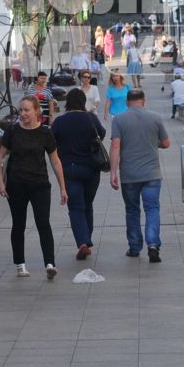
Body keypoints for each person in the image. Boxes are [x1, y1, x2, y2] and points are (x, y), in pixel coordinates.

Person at [0, 94, 65, 279]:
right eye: (21, 110)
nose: (23, 114)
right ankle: (20, 264)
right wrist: (0, 182)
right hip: (16, 184)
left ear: (37, 111)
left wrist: (62, 187)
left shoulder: (45, 132)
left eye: (26, 110)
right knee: (18, 224)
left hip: (40, 184)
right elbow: (1, 157)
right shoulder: (12, 131)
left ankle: (50, 263)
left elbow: (55, 161)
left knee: (43, 222)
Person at [110, 87, 172, 262]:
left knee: (132, 210)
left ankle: (135, 247)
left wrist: (113, 172)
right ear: (144, 101)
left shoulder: (119, 119)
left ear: (127, 102)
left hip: (129, 174)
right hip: (152, 174)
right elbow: (167, 143)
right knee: (152, 209)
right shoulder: (155, 117)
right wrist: (153, 143)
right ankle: (153, 244)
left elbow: (115, 146)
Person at [52, 88, 108, 260]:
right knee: (88, 204)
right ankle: (87, 238)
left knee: (75, 207)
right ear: (83, 101)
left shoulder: (59, 122)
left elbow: (52, 142)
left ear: (68, 102)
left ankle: (82, 242)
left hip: (69, 169)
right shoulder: (90, 117)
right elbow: (103, 134)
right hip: (91, 168)